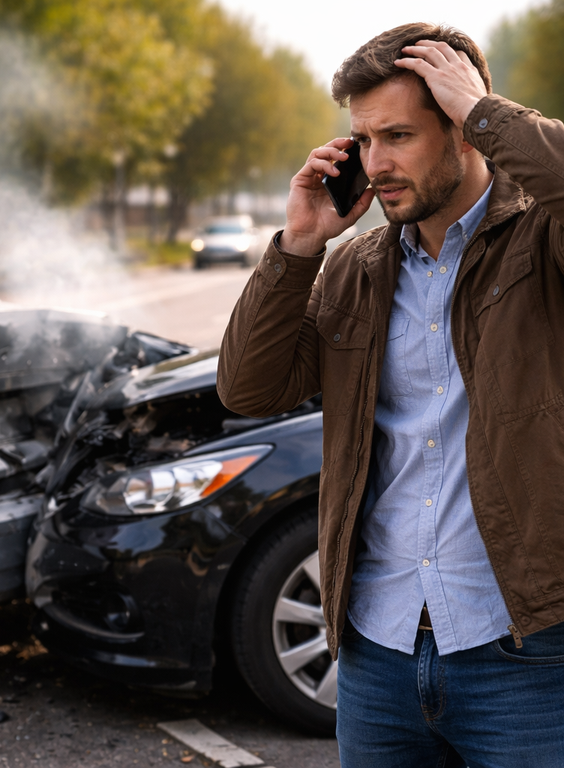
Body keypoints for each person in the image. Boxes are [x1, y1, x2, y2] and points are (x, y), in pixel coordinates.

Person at [217, 21, 564, 768]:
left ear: (467, 131)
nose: (376, 164)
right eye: (364, 140)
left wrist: (489, 112)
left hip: (530, 655)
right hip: (378, 656)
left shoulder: (542, 242)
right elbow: (248, 386)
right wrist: (299, 247)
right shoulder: (354, 269)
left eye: (399, 135)